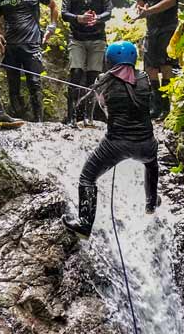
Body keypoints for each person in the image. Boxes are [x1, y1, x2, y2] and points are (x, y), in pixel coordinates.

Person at [62, 40, 159, 237]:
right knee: (151, 164)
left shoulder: (102, 80)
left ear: (109, 60)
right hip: (146, 143)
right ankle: (150, 203)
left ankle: (85, 224)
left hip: (116, 144)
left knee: (87, 177)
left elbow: (104, 107)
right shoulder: (144, 78)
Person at [0, 0, 58, 123]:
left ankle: (39, 121)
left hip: (32, 44)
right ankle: (18, 118)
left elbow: (53, 6)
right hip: (11, 47)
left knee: (34, 83)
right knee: (13, 86)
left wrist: (52, 26)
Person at [60, 0, 113, 126]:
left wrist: (97, 18)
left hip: (97, 39)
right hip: (77, 39)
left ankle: (88, 117)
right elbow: (64, 13)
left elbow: (108, 12)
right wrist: (78, 18)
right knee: (75, 73)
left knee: (94, 77)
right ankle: (71, 116)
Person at [133, 0, 179, 120]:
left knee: (165, 64)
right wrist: (138, 11)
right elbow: (140, 3)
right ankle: (155, 104)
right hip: (151, 28)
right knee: (150, 65)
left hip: (168, 26)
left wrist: (149, 10)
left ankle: (167, 106)